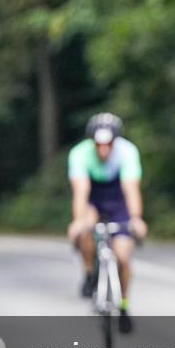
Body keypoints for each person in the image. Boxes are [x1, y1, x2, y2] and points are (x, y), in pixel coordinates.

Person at [67, 113, 148, 333]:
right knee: (85, 229)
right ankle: (88, 273)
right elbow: (81, 192)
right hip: (94, 198)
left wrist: (136, 218)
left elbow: (131, 189)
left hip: (118, 200)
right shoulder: (80, 153)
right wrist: (78, 221)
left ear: (115, 141)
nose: (103, 149)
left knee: (122, 256)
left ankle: (123, 305)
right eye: (98, 144)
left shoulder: (127, 151)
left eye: (108, 144)